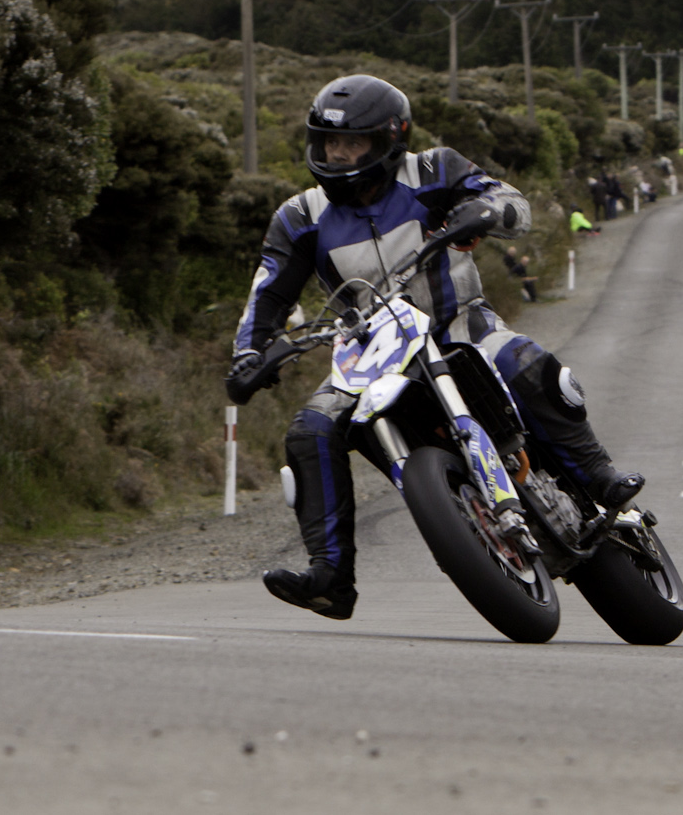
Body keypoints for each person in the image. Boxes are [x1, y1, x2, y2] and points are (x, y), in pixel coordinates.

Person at [226, 75, 645, 620]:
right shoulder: (300, 216)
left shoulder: (433, 170)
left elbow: (511, 202)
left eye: (353, 142)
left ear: (390, 138)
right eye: (330, 143)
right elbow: (266, 292)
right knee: (310, 429)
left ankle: (598, 475)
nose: (339, 154)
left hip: (458, 322)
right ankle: (330, 576)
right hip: (370, 350)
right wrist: (249, 354)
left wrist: (486, 210)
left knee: (524, 362)